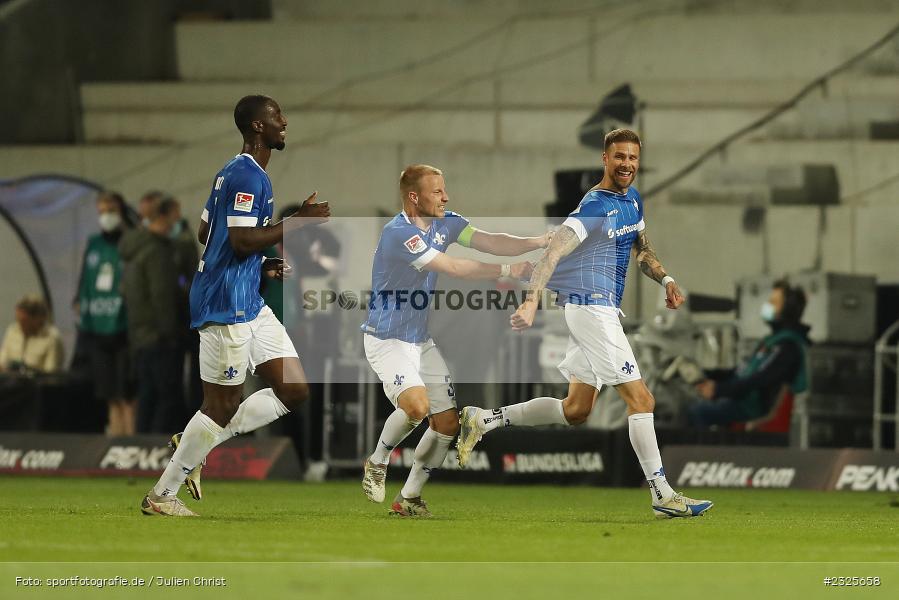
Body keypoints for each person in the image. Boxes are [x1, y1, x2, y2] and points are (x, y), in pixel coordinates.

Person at [456, 129, 713, 519]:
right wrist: (530, 302)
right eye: (619, 157)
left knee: (576, 409)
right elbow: (554, 249)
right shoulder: (594, 205)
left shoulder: (633, 200)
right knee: (642, 400)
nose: (626, 163)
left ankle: (485, 419)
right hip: (591, 309)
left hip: (598, 310)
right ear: (605, 159)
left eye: (633, 157)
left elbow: (642, 250)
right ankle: (662, 495)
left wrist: (667, 279)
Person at [141, 94, 330, 517]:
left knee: (294, 388)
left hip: (248, 300)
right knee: (221, 405)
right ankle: (162, 495)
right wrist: (299, 220)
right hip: (225, 302)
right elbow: (241, 239)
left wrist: (260, 264)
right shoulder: (248, 176)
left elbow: (207, 231)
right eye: (276, 116)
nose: (284, 121)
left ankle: (193, 443)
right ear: (258, 127)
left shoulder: (232, 172)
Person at [360, 164, 549, 517]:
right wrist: (508, 271)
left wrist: (538, 242)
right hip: (387, 339)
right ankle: (377, 460)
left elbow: (491, 241)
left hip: (420, 338)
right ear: (414, 197)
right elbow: (454, 268)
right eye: (437, 192)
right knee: (416, 407)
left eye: (444, 190)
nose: (446, 197)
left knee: (446, 425)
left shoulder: (446, 222)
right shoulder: (398, 233)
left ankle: (409, 498)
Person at [689, 280, 809, 428]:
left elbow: (759, 379)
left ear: (787, 310)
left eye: (773, 302)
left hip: (753, 409)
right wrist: (707, 375)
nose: (767, 306)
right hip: (744, 402)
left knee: (696, 411)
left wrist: (718, 390)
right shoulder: (772, 342)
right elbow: (742, 372)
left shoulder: (787, 347)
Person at [120, 196, 183, 433]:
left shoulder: (133, 249)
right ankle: (156, 447)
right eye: (176, 216)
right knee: (167, 394)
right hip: (159, 335)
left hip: (139, 333)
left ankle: (141, 444)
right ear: (165, 216)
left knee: (147, 393)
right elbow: (161, 295)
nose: (178, 222)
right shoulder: (157, 251)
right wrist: (171, 332)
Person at [75, 191, 136, 436]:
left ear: (121, 212)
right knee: (110, 396)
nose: (105, 217)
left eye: (110, 211)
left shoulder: (130, 242)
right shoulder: (93, 245)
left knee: (128, 396)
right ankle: (114, 451)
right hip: (97, 331)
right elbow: (84, 283)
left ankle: (131, 446)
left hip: (125, 330)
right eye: (101, 212)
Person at [0, 295, 64, 374]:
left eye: (24, 321)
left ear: (38, 318)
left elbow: (51, 375)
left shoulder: (52, 338)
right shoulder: (12, 330)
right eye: (17, 319)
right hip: (7, 383)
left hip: (35, 384)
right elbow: (2, 361)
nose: (20, 325)